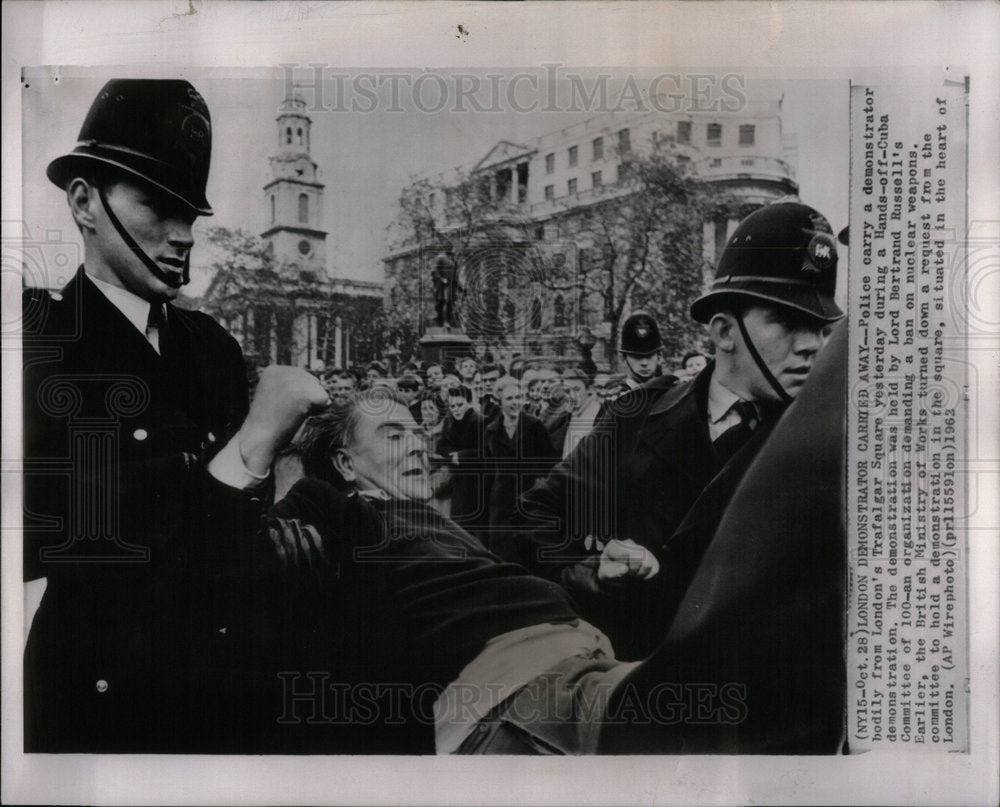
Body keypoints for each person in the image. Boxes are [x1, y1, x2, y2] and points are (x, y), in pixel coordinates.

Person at [269, 365, 847, 754]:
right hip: (524, 698)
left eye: (418, 432)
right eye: (394, 436)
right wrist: (289, 459)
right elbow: (269, 524)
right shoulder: (346, 511)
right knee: (758, 710)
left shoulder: (435, 522)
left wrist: (595, 568)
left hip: (575, 670)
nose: (418, 445)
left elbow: (517, 569)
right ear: (345, 464)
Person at [22, 79, 328, 752]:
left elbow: (239, 533)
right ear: (83, 202)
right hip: (109, 701)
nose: (183, 235)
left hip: (232, 687)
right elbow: (54, 533)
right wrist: (250, 447)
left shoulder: (209, 344)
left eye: (191, 212)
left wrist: (284, 525)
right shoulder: (38, 345)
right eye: (157, 204)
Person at [510, 201, 844, 659]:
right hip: (640, 697)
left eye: (823, 328)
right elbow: (532, 522)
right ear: (725, 332)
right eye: (788, 322)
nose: (812, 345)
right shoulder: (635, 417)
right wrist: (593, 572)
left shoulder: (827, 443)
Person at [482, 378, 559, 554]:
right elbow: (487, 466)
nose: (515, 402)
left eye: (518, 397)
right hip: (501, 498)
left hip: (529, 493)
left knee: (527, 545)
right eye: (509, 399)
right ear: (499, 401)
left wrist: (538, 485)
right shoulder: (491, 430)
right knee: (501, 546)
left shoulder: (535, 425)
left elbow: (549, 461)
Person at [438, 383, 487, 534]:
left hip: (477, 480)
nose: (456, 409)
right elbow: (441, 445)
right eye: (452, 406)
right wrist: (452, 455)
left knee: (471, 523)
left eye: (460, 405)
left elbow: (487, 452)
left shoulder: (480, 421)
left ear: (470, 403)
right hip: (458, 478)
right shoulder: (449, 421)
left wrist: (461, 456)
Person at [553, 365, 603, 458]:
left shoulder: (599, 413)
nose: (572, 395)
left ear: (588, 390)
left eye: (577, 389)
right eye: (567, 391)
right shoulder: (567, 415)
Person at [618, 311, 665, 391]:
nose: (644, 363)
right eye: (637, 357)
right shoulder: (611, 398)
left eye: (650, 356)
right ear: (624, 359)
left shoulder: (671, 394)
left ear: (659, 357)